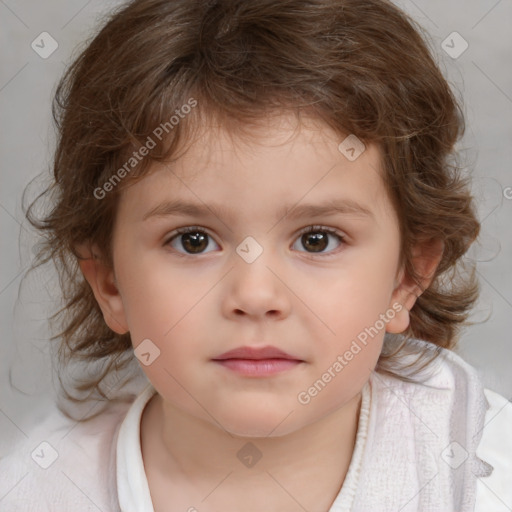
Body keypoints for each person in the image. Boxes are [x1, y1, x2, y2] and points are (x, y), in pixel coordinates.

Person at [1, 0, 511, 510]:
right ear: (109, 283)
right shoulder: (37, 490)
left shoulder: (483, 473)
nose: (256, 296)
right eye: (193, 240)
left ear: (407, 277)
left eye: (317, 240)